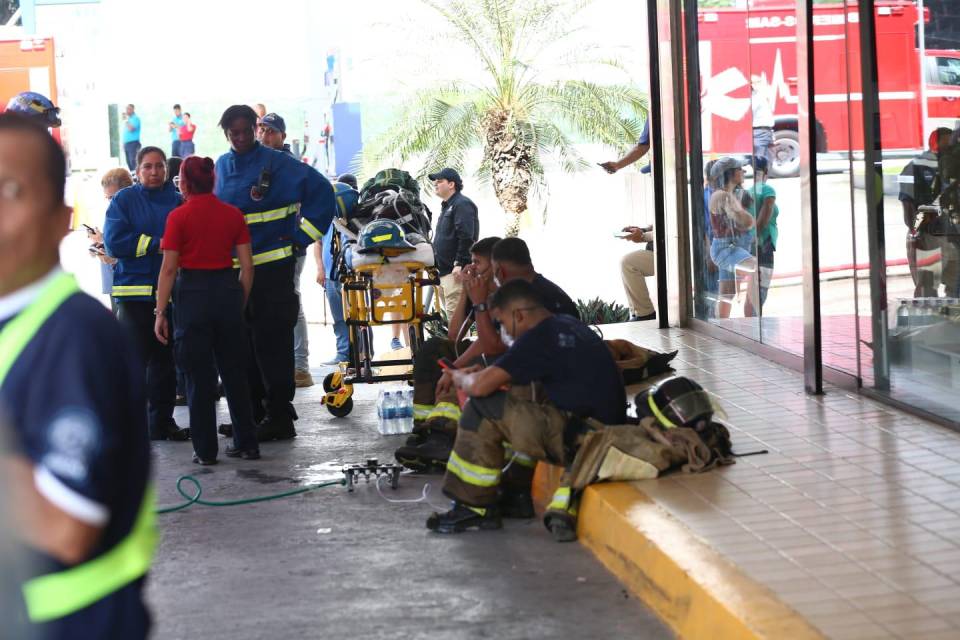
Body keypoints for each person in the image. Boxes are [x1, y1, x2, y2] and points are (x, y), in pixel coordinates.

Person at [0, 112, 154, 638]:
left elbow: (68, 527)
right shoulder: (14, 325)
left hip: (68, 622)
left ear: (60, 218)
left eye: (10, 190)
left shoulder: (73, 337)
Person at [426, 279, 626, 540]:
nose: (505, 331)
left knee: (484, 406)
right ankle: (517, 493)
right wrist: (484, 375)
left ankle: (472, 505)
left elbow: (479, 389)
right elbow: (515, 376)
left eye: (503, 323)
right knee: (517, 391)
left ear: (518, 315)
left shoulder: (537, 339)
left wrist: (461, 378)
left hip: (584, 439)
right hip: (601, 430)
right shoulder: (566, 326)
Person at [395, 236, 579, 475]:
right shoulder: (496, 291)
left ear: (496, 268)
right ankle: (427, 429)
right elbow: (456, 336)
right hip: (516, 358)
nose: (471, 269)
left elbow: (496, 347)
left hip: (543, 380)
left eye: (476, 263)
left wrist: (459, 368)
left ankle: (444, 438)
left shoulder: (526, 296)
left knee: (473, 367)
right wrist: (467, 294)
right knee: (436, 350)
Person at [213, 104, 337, 441]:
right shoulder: (221, 167)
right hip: (235, 275)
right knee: (243, 347)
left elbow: (325, 194)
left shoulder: (278, 163)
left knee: (272, 345)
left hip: (272, 270)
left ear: (254, 129)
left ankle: (279, 417)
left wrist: (301, 236)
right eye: (232, 133)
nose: (239, 138)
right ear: (226, 134)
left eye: (243, 131)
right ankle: (251, 416)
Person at [154, 156, 260, 464]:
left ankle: (205, 450)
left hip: (192, 297)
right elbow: (248, 268)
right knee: (234, 373)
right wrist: (236, 301)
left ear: (183, 182)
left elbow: (169, 269)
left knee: (198, 378)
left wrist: (160, 312)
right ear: (213, 180)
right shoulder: (232, 215)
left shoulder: (178, 217)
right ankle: (247, 443)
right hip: (227, 291)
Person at [104, 146, 189, 441]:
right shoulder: (124, 200)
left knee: (165, 365)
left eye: (159, 167)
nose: (154, 172)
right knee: (133, 364)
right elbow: (115, 243)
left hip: (169, 296)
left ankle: (162, 423)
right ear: (137, 172)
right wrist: (158, 243)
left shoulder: (178, 201)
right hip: (133, 296)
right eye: (148, 167)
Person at [257, 112, 312, 385]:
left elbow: (315, 201)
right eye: (262, 130)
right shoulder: (256, 162)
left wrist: (299, 238)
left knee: (291, 302)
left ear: (282, 136)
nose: (265, 136)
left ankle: (300, 366)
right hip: (262, 250)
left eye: (271, 131)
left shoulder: (289, 165)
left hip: (288, 249)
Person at [900, 128, 952, 297]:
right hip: (930, 237)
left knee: (954, 287)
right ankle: (927, 320)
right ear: (934, 144)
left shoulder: (950, 168)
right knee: (928, 288)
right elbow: (908, 207)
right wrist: (919, 235)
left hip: (951, 236)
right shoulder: (917, 167)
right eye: (945, 143)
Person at [314, 176, 358, 365]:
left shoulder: (356, 219)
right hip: (331, 276)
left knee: (358, 316)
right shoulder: (327, 218)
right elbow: (318, 243)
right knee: (339, 319)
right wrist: (320, 269)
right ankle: (343, 355)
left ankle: (363, 355)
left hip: (352, 276)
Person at [708, 157, 758, 319]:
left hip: (730, 247)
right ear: (729, 173)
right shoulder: (723, 196)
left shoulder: (729, 194)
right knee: (758, 268)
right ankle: (753, 316)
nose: (743, 172)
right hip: (725, 249)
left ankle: (719, 330)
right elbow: (747, 221)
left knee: (726, 295)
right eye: (739, 169)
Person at [428, 167, 478, 320]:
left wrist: (460, 262)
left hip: (455, 271)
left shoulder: (461, 204)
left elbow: (467, 235)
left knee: (456, 316)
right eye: (435, 182)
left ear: (451, 184)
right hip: (444, 272)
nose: (436, 184)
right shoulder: (447, 206)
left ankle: (460, 344)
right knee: (453, 316)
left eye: (440, 181)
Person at [87, 169, 132, 313]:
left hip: (129, 285)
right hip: (113, 282)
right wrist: (100, 245)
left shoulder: (136, 215)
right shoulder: (114, 214)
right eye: (108, 198)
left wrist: (103, 240)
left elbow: (132, 247)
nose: (111, 203)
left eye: (114, 197)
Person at [746, 157, 779, 311]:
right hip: (763, 245)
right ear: (766, 171)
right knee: (761, 290)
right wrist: (756, 237)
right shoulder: (767, 190)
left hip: (752, 246)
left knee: (751, 291)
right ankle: (755, 327)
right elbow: (764, 220)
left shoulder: (749, 191)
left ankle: (750, 325)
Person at [618, 225, 656, 321]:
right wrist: (641, 230)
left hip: (673, 252)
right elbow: (658, 225)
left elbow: (673, 229)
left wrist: (643, 236)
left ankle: (645, 314)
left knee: (629, 262)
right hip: (656, 251)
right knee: (627, 262)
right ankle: (641, 313)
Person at [751, 77, 775, 166]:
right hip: (764, 132)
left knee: (759, 161)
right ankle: (761, 179)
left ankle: (760, 179)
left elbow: (748, 112)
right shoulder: (762, 95)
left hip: (760, 131)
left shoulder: (756, 96)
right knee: (760, 160)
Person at [121, 104, 141, 171]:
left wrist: (126, 121)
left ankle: (137, 177)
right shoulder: (128, 120)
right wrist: (123, 144)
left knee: (133, 161)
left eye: (128, 109)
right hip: (127, 144)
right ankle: (133, 177)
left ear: (132, 109)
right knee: (128, 162)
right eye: (126, 109)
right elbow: (125, 133)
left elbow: (131, 129)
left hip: (133, 143)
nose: (127, 110)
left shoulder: (136, 118)